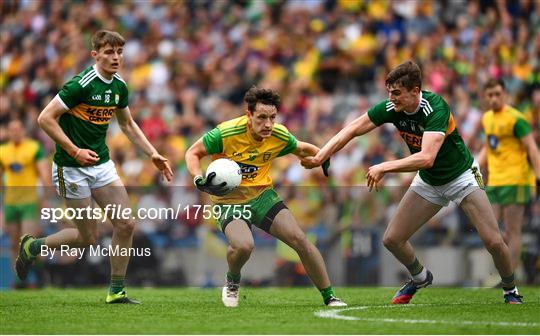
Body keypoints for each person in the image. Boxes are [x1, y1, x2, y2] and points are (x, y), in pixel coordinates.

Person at [302, 61, 523, 304]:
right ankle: (420, 277)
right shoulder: (392, 108)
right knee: (392, 239)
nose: (391, 98)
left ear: (415, 91)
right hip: (429, 182)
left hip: (461, 176)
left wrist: (385, 166)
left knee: (493, 240)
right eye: (389, 92)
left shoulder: (435, 107)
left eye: (396, 93)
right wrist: (322, 154)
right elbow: (354, 128)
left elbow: (427, 157)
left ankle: (510, 289)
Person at [15, 30, 173, 304]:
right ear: (95, 55)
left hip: (101, 164)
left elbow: (127, 124)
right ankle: (34, 246)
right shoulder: (81, 85)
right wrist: (74, 150)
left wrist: (153, 153)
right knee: (88, 238)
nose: (115, 57)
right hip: (70, 167)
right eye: (109, 52)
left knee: (125, 223)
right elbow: (45, 118)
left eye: (119, 52)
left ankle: (116, 291)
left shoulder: (119, 87)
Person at [185, 86, 346, 307]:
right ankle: (232, 280)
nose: (268, 124)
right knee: (243, 246)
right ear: (248, 115)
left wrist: (322, 156)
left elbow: (301, 148)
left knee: (300, 240)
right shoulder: (226, 133)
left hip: (262, 197)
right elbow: (193, 152)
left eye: (272, 117)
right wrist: (196, 177)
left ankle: (330, 296)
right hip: (229, 201)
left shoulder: (278, 134)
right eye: (262, 117)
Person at [479, 78, 540, 275]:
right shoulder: (487, 118)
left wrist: (538, 176)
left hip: (516, 179)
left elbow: (531, 147)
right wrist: (473, 168)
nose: (494, 98)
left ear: (504, 94)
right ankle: (503, 270)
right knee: (490, 230)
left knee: (513, 230)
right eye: (490, 95)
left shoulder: (516, 119)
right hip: (495, 180)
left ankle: (511, 277)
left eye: (497, 94)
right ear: (485, 97)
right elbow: (489, 148)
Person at [0, 119, 51, 288]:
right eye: (11, 130)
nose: (15, 132)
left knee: (28, 242)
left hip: (29, 201)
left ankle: (41, 275)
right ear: (8, 132)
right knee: (14, 242)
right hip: (10, 202)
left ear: (23, 131)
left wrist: (44, 199)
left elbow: (44, 174)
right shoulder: (3, 151)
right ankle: (19, 281)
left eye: (17, 129)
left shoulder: (33, 148)